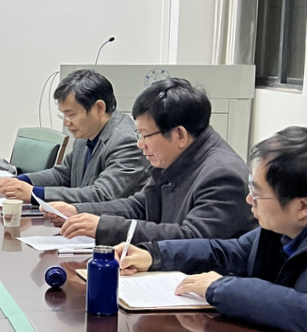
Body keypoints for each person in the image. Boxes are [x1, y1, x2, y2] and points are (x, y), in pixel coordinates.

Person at [118, 126, 307, 332]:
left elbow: (301, 310)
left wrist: (219, 288)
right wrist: (154, 255)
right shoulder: (277, 232)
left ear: (302, 207)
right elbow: (225, 251)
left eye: (257, 194)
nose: (248, 199)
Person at [48, 78, 256, 245]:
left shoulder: (222, 175)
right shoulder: (174, 158)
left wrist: (104, 227)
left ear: (180, 135)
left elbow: (192, 239)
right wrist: (79, 211)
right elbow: (140, 206)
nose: (140, 144)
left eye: (145, 135)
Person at [0, 69, 149, 203]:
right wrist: (20, 181)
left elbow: (102, 194)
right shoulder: (87, 132)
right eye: (64, 115)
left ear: (99, 108)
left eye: (71, 114)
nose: (66, 123)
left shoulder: (127, 141)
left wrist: (35, 194)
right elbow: (62, 174)